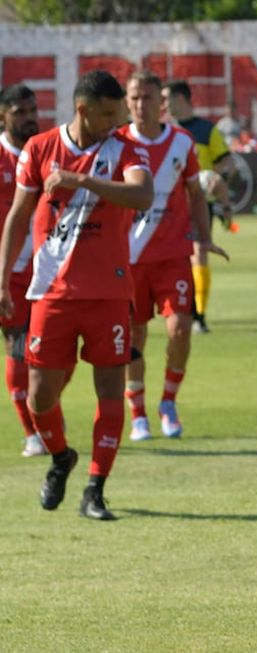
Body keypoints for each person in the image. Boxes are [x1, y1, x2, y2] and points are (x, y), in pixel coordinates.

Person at [0, 70, 153, 520]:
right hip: (50, 293)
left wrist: (82, 181)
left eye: (119, 113)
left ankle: (95, 488)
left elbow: (142, 195)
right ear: (83, 110)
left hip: (108, 293)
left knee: (109, 390)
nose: (116, 122)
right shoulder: (40, 149)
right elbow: (17, 217)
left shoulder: (126, 148)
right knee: (39, 397)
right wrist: (3, 275)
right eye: (108, 114)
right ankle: (61, 456)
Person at [119, 71, 229, 442]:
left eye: (146, 98)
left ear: (160, 102)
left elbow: (195, 193)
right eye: (133, 98)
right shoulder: (117, 142)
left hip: (172, 256)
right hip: (128, 260)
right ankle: (138, 414)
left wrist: (203, 235)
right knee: (133, 335)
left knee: (180, 329)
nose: (139, 105)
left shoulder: (181, 142)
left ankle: (168, 401)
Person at [161, 80, 233, 334]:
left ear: (181, 98)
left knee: (198, 252)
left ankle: (198, 316)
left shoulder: (206, 130)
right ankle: (181, 308)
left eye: (166, 97)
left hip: (200, 202)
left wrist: (215, 177)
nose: (163, 103)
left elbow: (226, 162)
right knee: (176, 258)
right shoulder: (165, 131)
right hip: (170, 204)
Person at [0, 84, 43, 457]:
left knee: (48, 357)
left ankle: (40, 419)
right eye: (20, 111)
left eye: (32, 109)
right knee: (17, 348)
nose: (30, 117)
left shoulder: (45, 151)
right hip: (8, 273)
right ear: (3, 115)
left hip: (44, 269)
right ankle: (32, 432)